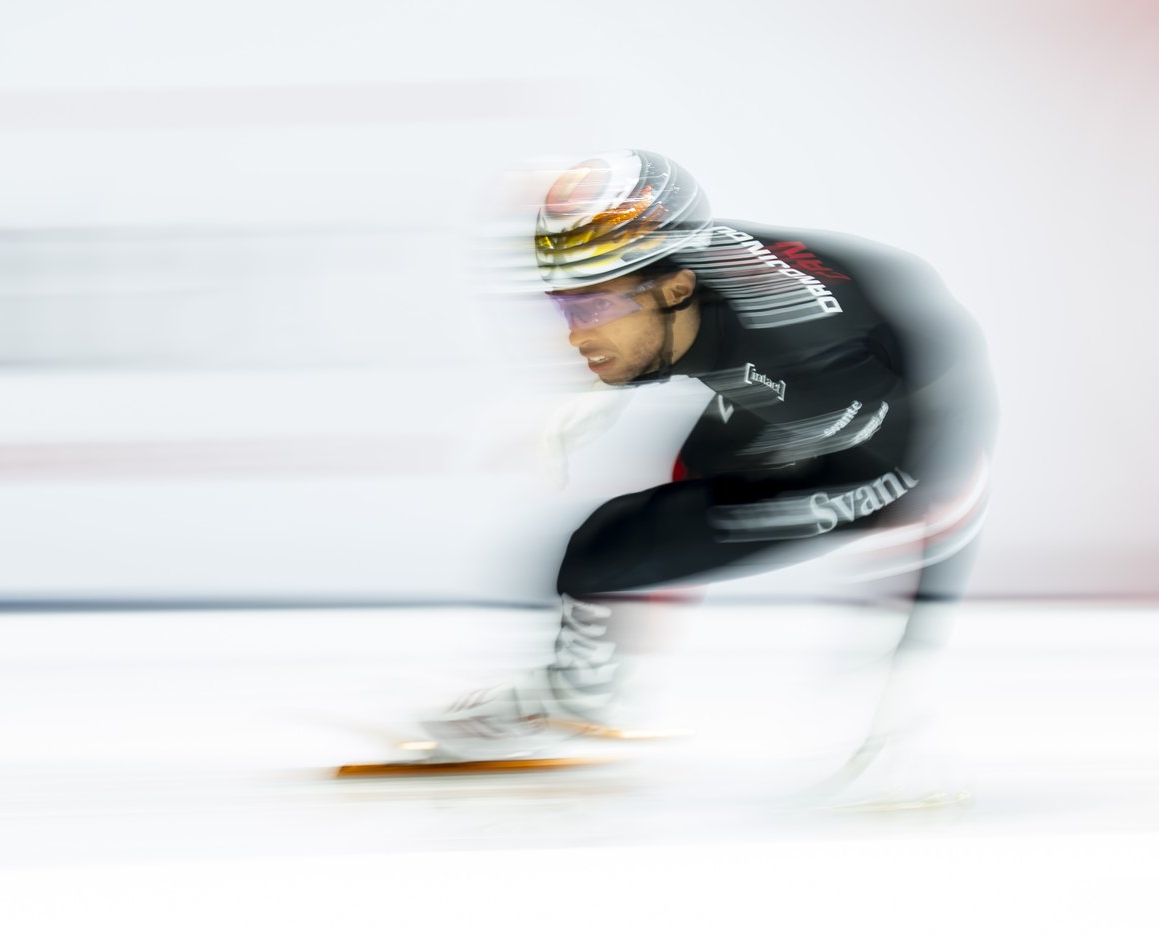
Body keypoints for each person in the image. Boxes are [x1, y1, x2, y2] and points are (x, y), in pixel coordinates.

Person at [422, 150, 998, 801]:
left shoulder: (803, 352)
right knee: (624, 533)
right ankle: (586, 688)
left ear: (675, 290)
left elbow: (949, 495)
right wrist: (602, 392)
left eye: (591, 309)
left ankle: (576, 697)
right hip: (806, 389)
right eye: (561, 307)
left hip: (893, 453)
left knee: (608, 543)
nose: (572, 337)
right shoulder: (685, 271)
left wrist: (899, 697)